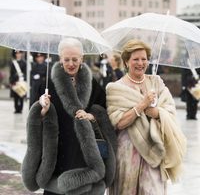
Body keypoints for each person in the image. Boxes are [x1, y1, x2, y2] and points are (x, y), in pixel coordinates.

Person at [22, 38, 117, 195]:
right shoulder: (46, 85)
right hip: (57, 153)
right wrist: (42, 109)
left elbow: (103, 113)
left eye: (75, 59)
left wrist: (91, 116)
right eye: (67, 59)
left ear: (82, 59)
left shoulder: (93, 83)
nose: (71, 63)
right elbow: (33, 122)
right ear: (60, 59)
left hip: (83, 155)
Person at [106, 39, 187, 195]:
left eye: (144, 59)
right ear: (126, 62)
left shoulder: (156, 82)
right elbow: (118, 123)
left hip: (155, 151)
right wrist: (142, 105)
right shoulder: (115, 88)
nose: (140, 63)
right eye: (135, 59)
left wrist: (156, 112)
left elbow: (170, 111)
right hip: (128, 152)